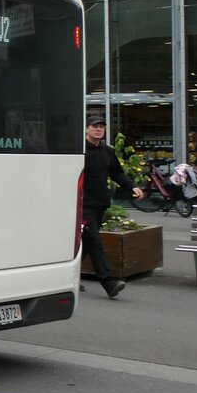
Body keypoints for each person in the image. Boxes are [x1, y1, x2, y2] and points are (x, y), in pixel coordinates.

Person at [82, 115, 143, 298]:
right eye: (94, 127)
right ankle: (109, 283)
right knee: (95, 242)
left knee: (85, 243)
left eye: (101, 127)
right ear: (86, 129)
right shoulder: (79, 151)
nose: (98, 129)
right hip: (82, 205)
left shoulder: (107, 151)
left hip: (100, 204)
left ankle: (68, 276)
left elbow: (117, 173)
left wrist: (133, 187)